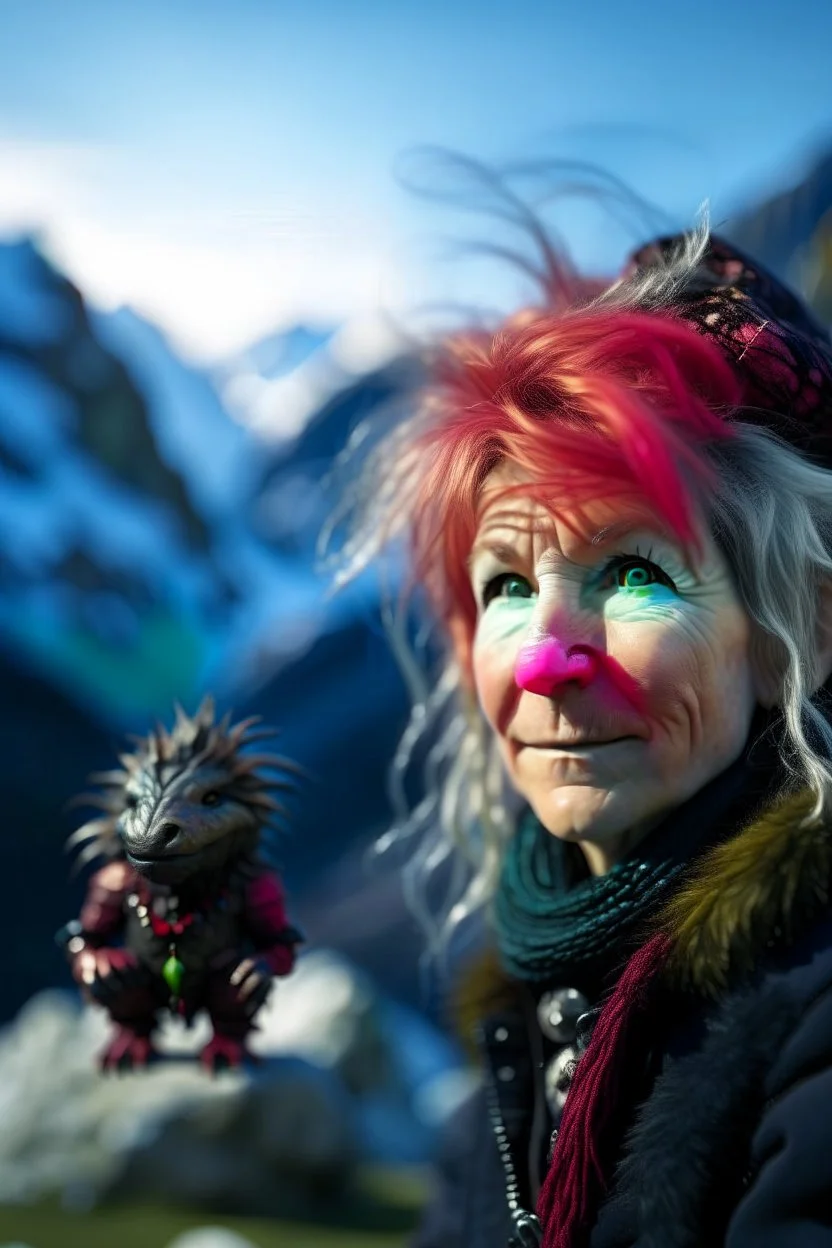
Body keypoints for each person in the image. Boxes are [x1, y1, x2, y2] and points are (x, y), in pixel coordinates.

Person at [333, 222, 832, 1247]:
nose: (543, 658)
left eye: (635, 573)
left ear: (802, 631)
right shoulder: (524, 1016)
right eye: (507, 585)